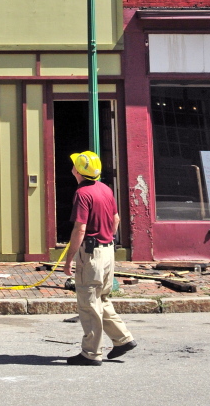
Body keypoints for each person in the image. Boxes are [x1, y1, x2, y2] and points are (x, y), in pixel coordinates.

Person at [62, 151, 138, 365]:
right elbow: (116, 219)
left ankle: (91, 353)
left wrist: (69, 259)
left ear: (77, 170)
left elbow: (80, 228)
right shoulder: (105, 189)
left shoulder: (82, 193)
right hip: (107, 251)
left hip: (92, 253)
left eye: (74, 165)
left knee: (88, 302)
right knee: (101, 298)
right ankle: (123, 339)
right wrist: (108, 239)